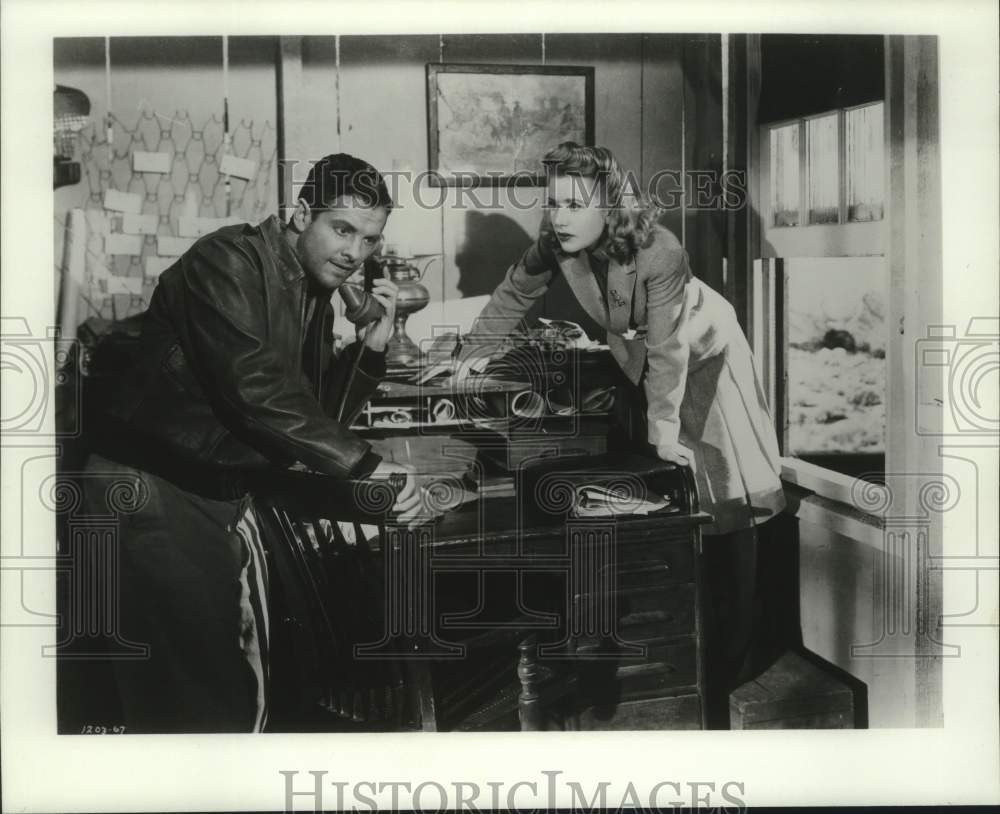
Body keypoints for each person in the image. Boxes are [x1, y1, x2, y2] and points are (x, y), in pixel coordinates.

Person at [79, 153, 427, 733]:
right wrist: (371, 468)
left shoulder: (310, 287)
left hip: (209, 496)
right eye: (342, 229)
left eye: (370, 240)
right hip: (147, 491)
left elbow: (310, 420)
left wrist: (372, 344)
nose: (355, 253)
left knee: (229, 698)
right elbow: (256, 391)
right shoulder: (226, 260)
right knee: (194, 709)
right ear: (298, 212)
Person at [454, 141, 786, 726]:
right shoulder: (554, 245)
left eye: (575, 204)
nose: (559, 216)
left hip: (705, 354)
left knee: (725, 496)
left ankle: (733, 662)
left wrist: (662, 428)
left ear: (611, 203)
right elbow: (513, 295)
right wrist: (471, 355)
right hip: (644, 356)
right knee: (669, 498)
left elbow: (669, 347)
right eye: (553, 202)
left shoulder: (661, 251)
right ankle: (672, 647)